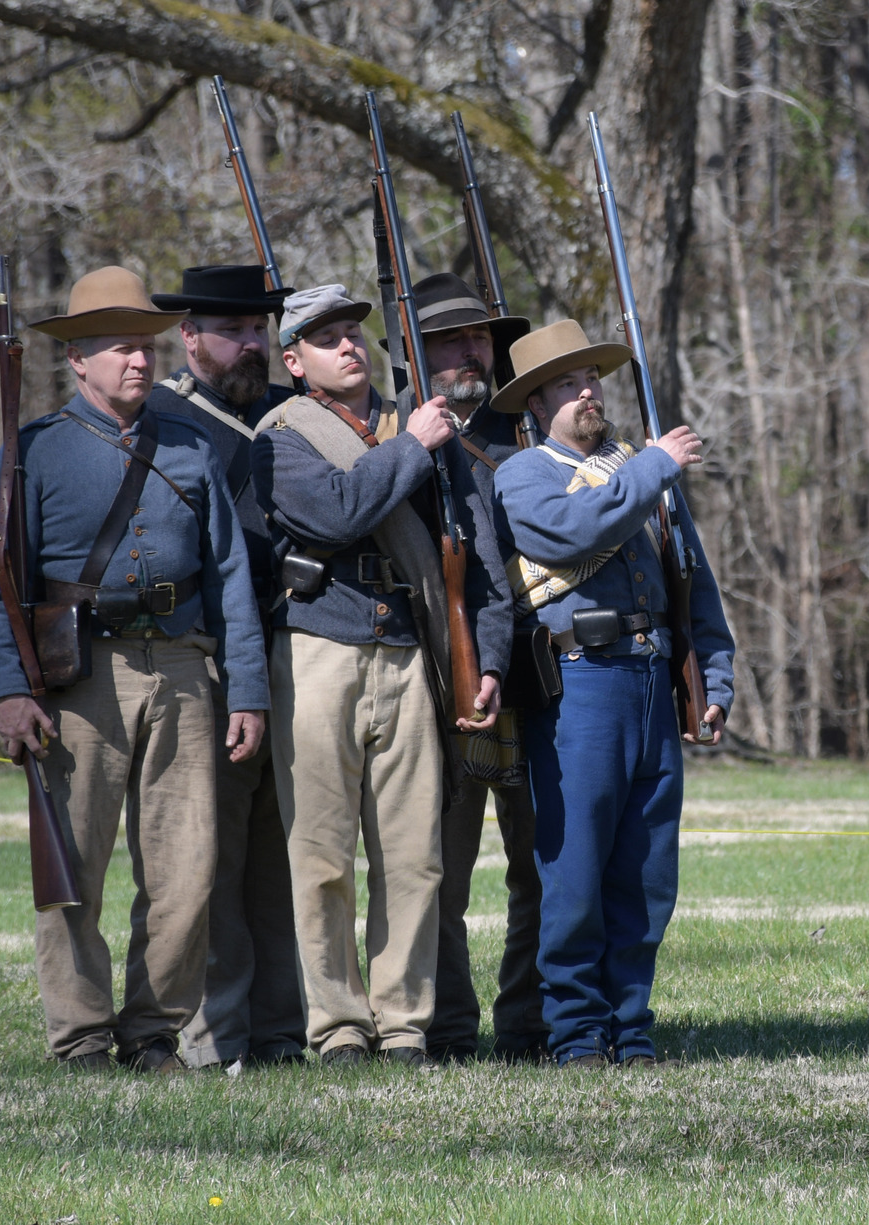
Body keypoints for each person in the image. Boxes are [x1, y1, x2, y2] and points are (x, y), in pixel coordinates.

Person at [0, 265, 269, 1073]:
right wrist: (7, 692)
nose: (139, 362)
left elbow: (231, 574)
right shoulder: (33, 455)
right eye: (121, 349)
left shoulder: (193, 449)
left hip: (183, 670)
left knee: (188, 868)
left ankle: (153, 1031)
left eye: (146, 347)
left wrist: (248, 690)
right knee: (74, 868)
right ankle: (83, 1035)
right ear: (78, 361)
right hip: (79, 677)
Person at [251, 284, 511, 1067]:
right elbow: (333, 513)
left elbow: (481, 561)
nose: (349, 346)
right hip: (319, 651)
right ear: (294, 362)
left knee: (413, 857)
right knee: (322, 855)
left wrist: (489, 659)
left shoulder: (421, 426)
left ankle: (404, 1022)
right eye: (326, 338)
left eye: (355, 333)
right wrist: (414, 448)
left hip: (408, 647)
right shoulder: (282, 436)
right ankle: (336, 1025)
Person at [491, 320, 735, 1070]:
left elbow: (690, 581)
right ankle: (574, 1033)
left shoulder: (638, 468)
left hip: (651, 681)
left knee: (645, 872)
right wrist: (654, 468)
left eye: (592, 377)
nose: (587, 390)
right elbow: (565, 533)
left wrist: (714, 677)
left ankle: (631, 1028)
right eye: (566, 383)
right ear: (535, 405)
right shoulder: (526, 473)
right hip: (579, 687)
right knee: (575, 871)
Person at [143, 265, 307, 1070]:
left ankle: (282, 1030)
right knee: (215, 859)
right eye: (234, 330)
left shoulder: (288, 413)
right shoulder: (163, 419)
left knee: (283, 858)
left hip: (300, 653)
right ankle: (218, 1036)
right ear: (190, 335)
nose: (252, 345)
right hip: (213, 663)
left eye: (259, 330)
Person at [391, 274, 547, 1064]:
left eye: (478, 337)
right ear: (415, 351)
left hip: (540, 680)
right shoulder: (401, 434)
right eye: (448, 339)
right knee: (439, 873)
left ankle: (530, 1024)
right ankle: (447, 1027)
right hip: (442, 680)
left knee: (541, 870)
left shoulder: (531, 430)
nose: (467, 351)